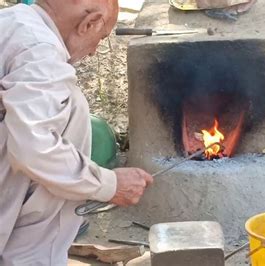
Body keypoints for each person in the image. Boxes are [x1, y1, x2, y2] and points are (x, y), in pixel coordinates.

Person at [0, 0, 154, 264]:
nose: (94, 52)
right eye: (101, 37)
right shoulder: (39, 53)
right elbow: (34, 149)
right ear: (89, 23)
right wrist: (108, 185)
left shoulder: (11, 22)